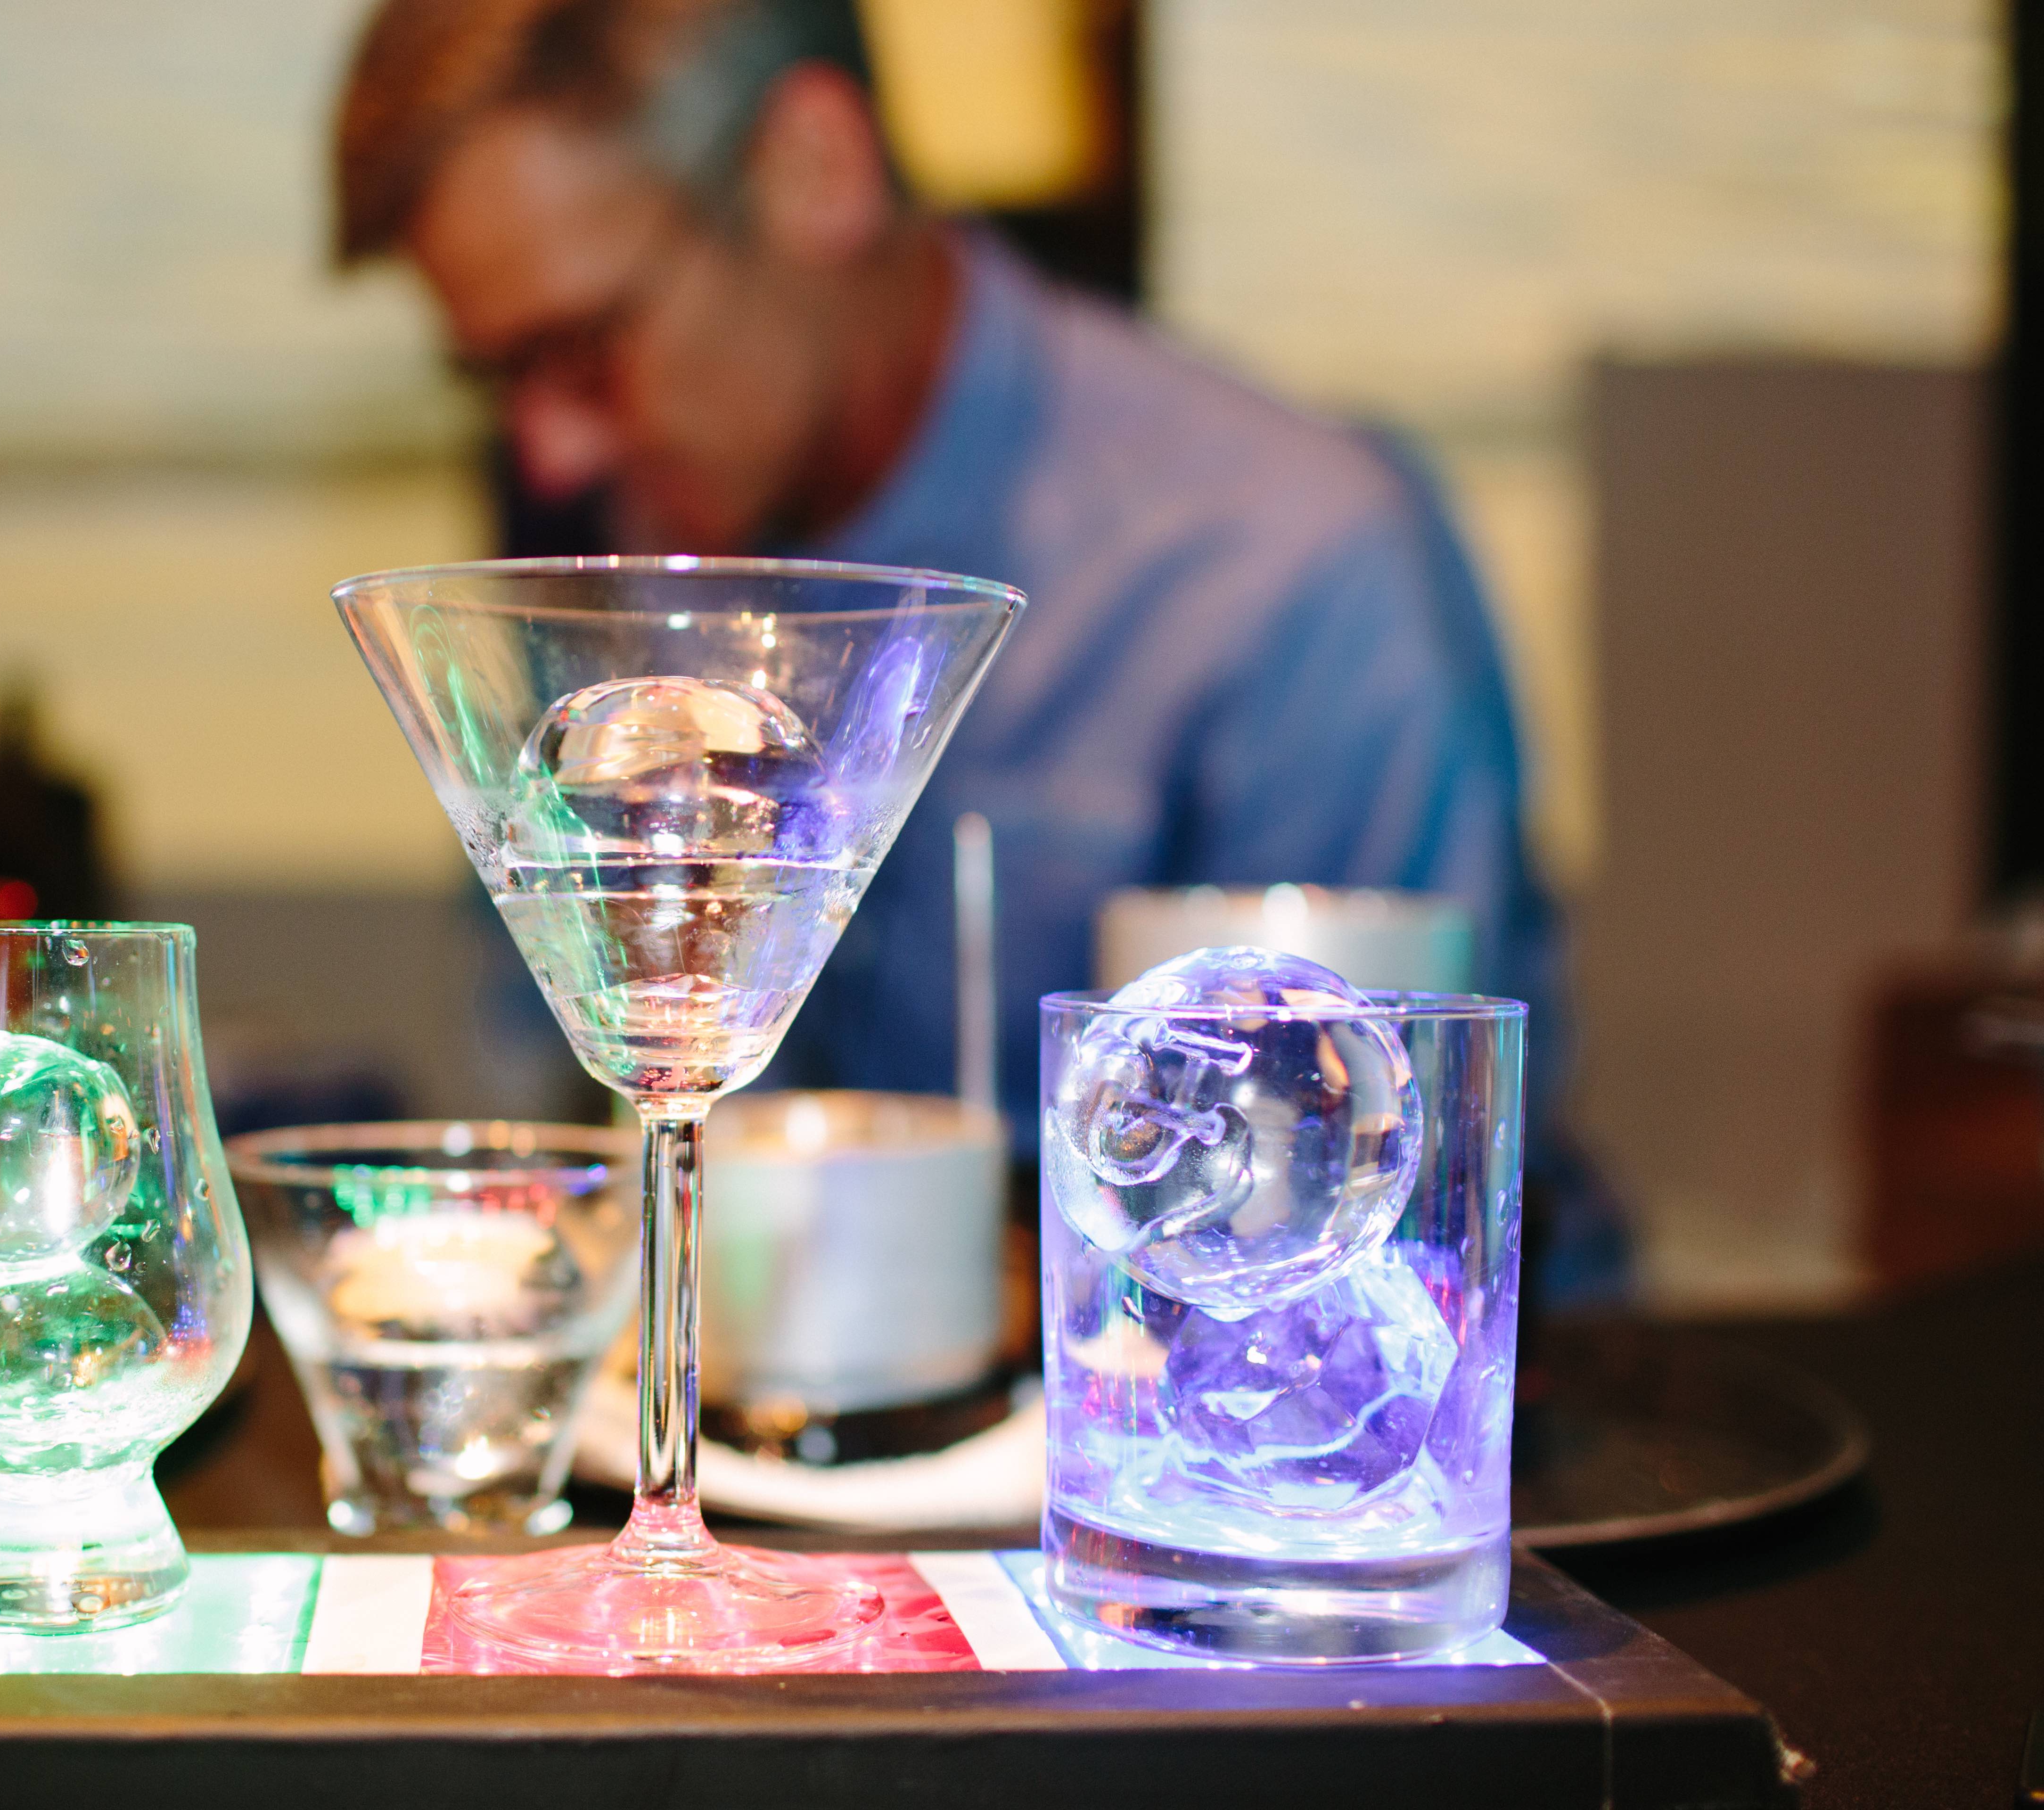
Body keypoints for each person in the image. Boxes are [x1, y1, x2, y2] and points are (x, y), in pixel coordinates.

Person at [333, 0, 1618, 1298]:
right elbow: (571, 1078)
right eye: (492, 384)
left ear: (816, 168)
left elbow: (1378, 1196)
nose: (550, 450)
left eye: (582, 351)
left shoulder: (1288, 569)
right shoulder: (599, 544)